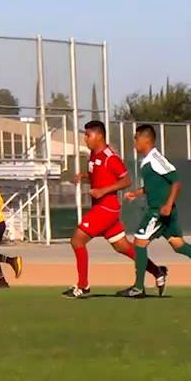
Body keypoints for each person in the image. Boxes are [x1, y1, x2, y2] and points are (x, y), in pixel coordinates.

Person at [119, 125, 191, 298]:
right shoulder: (146, 161)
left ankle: (138, 288)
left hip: (159, 211)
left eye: (136, 138)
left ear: (146, 140)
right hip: (163, 210)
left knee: (139, 242)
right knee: (179, 245)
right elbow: (155, 185)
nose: (134, 142)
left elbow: (175, 180)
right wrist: (137, 193)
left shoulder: (155, 158)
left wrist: (168, 204)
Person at [64, 120, 167, 298]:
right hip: (102, 208)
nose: (85, 139)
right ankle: (157, 271)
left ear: (99, 136)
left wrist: (103, 191)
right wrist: (84, 176)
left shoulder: (110, 157)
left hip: (106, 209)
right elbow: (100, 176)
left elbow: (126, 180)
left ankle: (83, 286)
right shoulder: (93, 155)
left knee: (77, 241)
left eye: (88, 135)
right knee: (123, 247)